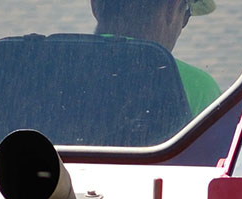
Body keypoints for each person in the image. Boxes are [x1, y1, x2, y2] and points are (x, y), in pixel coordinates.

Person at [92, 0, 222, 114]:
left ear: (94, 7)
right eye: (187, 13)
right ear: (172, 7)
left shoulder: (72, 68)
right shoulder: (199, 87)